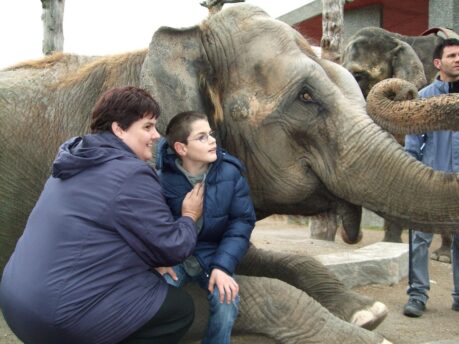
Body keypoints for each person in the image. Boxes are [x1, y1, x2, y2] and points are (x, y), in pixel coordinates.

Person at [0, 86, 204, 344]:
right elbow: (173, 248)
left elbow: (97, 232)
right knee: (178, 309)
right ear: (119, 129)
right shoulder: (131, 174)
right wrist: (188, 216)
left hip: (16, 302)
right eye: (147, 127)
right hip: (56, 321)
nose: (156, 135)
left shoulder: (72, 161)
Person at [155, 111, 256, 343]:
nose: (212, 140)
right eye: (201, 137)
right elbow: (152, 226)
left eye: (211, 134)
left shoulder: (230, 173)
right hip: (175, 257)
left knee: (226, 299)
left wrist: (222, 265)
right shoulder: (160, 179)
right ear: (181, 148)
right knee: (155, 294)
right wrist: (158, 259)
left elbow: (242, 222)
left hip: (212, 255)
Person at [403, 38, 459, 317]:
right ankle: (417, 296)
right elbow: (413, 142)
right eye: (451, 55)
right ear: (438, 63)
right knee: (420, 239)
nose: (458, 59)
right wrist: (413, 177)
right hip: (430, 179)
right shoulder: (425, 96)